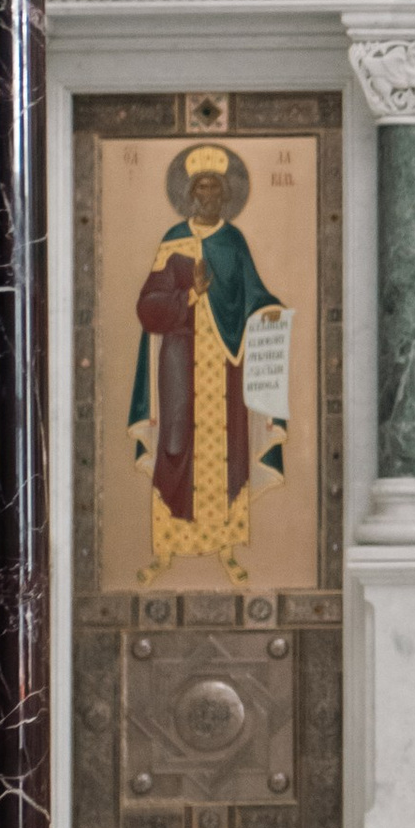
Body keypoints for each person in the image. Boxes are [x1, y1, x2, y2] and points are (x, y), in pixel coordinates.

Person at [129, 143, 284, 580]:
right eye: (202, 188)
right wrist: (190, 295)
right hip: (180, 359)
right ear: (190, 194)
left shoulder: (233, 242)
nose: (209, 196)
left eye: (216, 189)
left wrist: (268, 310)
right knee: (176, 440)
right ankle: (166, 549)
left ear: (226, 195)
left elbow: (253, 292)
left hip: (226, 361)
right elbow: (149, 307)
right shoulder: (173, 241)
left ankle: (226, 548)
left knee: (228, 447)